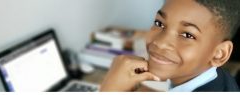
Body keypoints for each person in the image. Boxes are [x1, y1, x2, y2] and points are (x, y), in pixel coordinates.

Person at [100, 0, 240, 92]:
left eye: (187, 35)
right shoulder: (218, 80)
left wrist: (109, 90)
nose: (160, 43)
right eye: (159, 24)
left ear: (220, 54)